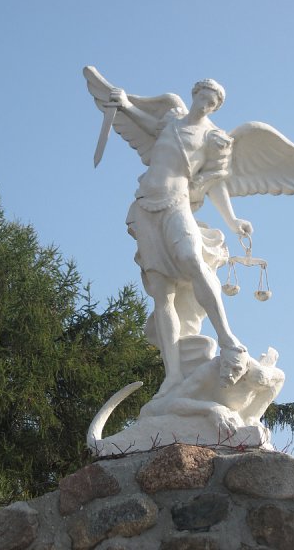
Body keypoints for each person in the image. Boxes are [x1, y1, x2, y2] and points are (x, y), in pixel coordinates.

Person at [110, 79, 253, 395]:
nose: (207, 104)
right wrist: (125, 105)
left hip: (176, 203)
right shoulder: (172, 119)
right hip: (146, 206)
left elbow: (216, 183)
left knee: (192, 259)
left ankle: (227, 339)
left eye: (213, 103)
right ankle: (172, 375)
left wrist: (232, 221)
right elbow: (150, 127)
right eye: (204, 97)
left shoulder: (214, 138)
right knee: (162, 293)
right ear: (195, 95)